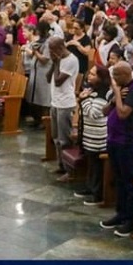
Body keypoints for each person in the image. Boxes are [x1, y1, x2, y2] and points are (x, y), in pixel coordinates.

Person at [100, 61, 133, 237]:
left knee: (128, 181)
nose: (113, 78)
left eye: (116, 75)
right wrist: (114, 98)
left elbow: (123, 113)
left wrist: (117, 93)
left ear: (126, 74)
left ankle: (130, 220)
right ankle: (120, 213)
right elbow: (105, 111)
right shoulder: (120, 89)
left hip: (126, 142)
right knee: (118, 179)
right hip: (113, 140)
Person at [73, 65, 111, 206]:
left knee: (98, 167)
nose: (89, 76)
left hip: (98, 138)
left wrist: (83, 99)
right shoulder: (92, 91)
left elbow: (94, 113)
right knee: (91, 165)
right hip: (89, 136)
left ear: (101, 78)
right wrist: (84, 99)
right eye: (90, 73)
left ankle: (97, 195)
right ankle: (90, 188)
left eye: (93, 74)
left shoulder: (104, 93)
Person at [50, 36, 81, 182]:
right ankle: (61, 165)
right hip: (55, 102)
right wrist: (54, 63)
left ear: (60, 47)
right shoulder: (58, 60)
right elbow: (48, 78)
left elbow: (58, 82)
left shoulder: (71, 60)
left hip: (65, 103)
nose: (50, 52)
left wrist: (57, 63)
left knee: (64, 139)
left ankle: (70, 171)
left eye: (52, 49)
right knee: (56, 137)